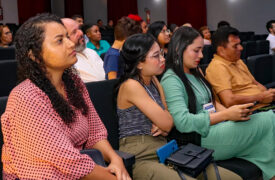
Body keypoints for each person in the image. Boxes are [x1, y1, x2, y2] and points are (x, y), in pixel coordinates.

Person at [1, 13, 130, 180]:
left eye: (68, 37)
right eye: (60, 40)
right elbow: (67, 161)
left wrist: (115, 159)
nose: (71, 44)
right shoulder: (26, 97)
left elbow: (95, 132)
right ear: (34, 55)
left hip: (82, 168)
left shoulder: (73, 83)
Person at [117, 33, 242, 180]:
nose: (163, 59)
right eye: (156, 56)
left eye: (162, 54)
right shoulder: (131, 85)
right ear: (139, 63)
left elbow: (167, 124)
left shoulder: (155, 81)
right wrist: (163, 123)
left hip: (166, 149)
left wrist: (164, 124)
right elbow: (168, 122)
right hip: (142, 156)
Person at [161, 26, 275, 180]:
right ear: (178, 49)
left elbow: (212, 102)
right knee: (269, 120)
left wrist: (231, 114)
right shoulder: (171, 79)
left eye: (202, 50)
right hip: (200, 138)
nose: (201, 55)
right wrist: (226, 115)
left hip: (216, 126)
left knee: (267, 119)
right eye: (196, 50)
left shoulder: (196, 71)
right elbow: (183, 123)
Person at [205, 26, 275, 108]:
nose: (241, 48)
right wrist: (260, 97)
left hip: (263, 105)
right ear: (221, 50)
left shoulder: (238, 61)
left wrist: (269, 94)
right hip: (250, 111)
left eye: (240, 44)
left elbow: (255, 83)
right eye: (235, 46)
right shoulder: (217, 67)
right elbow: (229, 101)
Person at [62, 18, 105, 82]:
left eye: (79, 29)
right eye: (74, 32)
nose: (81, 33)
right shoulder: (65, 62)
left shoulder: (91, 52)